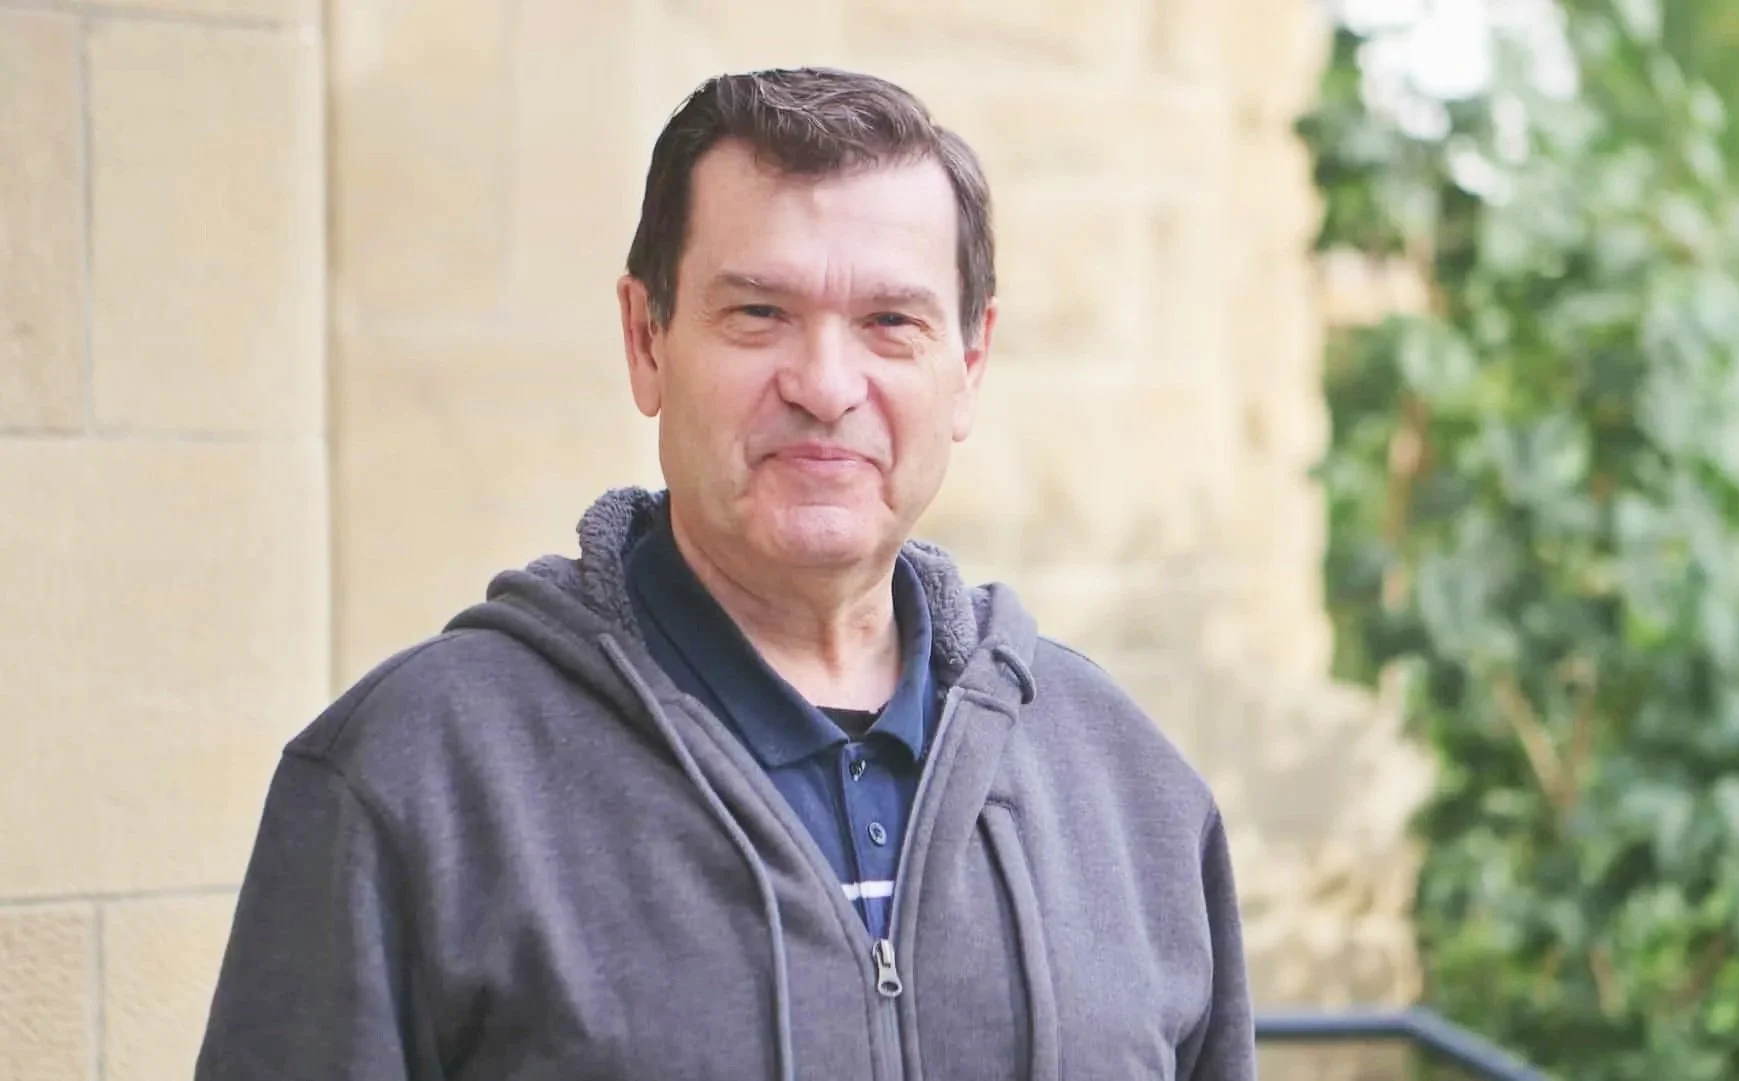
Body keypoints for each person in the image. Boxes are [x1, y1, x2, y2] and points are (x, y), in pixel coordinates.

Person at [195, 66, 1253, 1081]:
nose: (827, 384)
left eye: (891, 321)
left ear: (967, 364)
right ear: (646, 340)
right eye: (759, 313)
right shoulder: (413, 779)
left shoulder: (1129, 789)